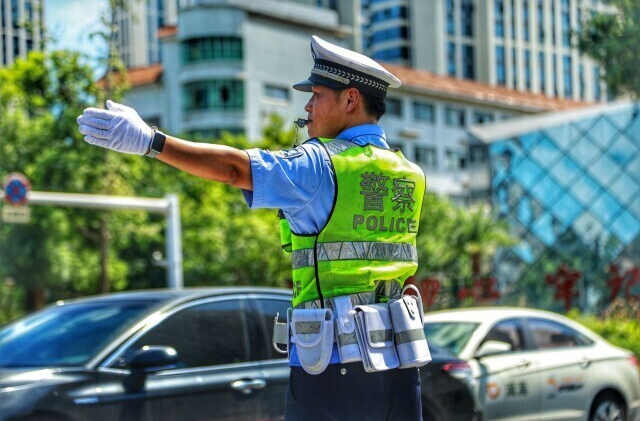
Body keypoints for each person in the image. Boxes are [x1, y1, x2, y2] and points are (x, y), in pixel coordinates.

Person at [78, 35, 426, 421]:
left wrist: (151, 141)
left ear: (350, 99)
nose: (308, 107)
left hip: (334, 369)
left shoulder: (322, 163)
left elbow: (236, 169)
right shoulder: (409, 173)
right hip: (399, 365)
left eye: (317, 94)